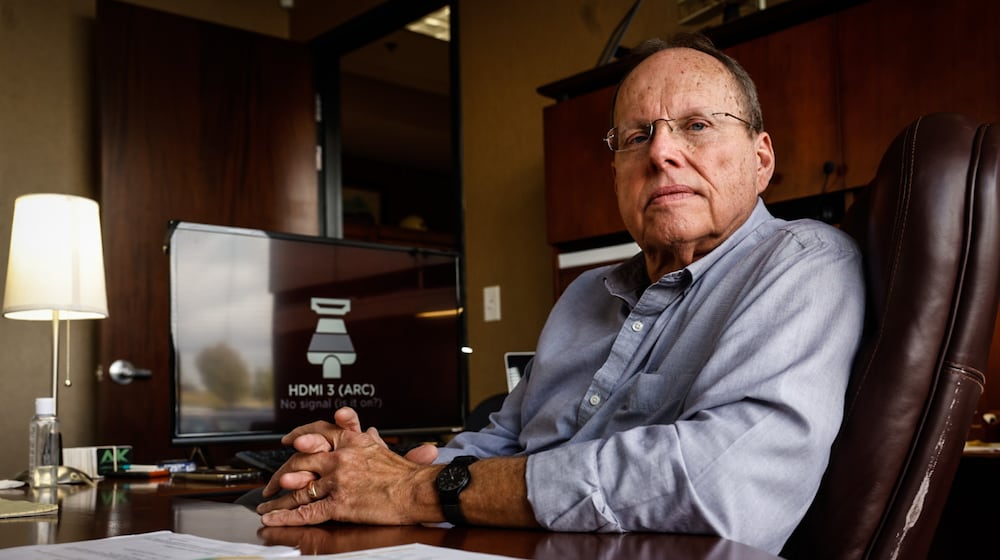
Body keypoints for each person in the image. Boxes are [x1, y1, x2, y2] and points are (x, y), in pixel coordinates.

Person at [254, 33, 865, 555]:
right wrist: (360, 467)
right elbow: (502, 441)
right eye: (634, 138)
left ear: (761, 159)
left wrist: (414, 490)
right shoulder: (582, 296)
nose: (660, 151)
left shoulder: (804, 263)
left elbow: (723, 483)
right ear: (617, 175)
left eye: (697, 126)